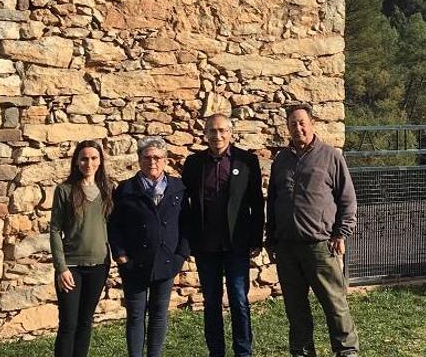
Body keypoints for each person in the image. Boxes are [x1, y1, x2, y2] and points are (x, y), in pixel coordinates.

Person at [266, 103, 360, 357]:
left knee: (335, 305)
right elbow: (272, 201)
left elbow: (347, 199)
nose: (297, 128)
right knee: (296, 309)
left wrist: (341, 233)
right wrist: (271, 239)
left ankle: (347, 352)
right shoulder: (281, 161)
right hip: (287, 247)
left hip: (321, 246)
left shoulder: (330, 157)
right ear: (288, 127)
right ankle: (302, 353)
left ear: (312, 123)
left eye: (301, 122)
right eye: (292, 124)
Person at [182, 114, 264, 357]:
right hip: (206, 246)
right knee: (211, 303)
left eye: (221, 131)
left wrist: (256, 239)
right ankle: (216, 352)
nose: (217, 136)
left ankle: (243, 351)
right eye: (212, 131)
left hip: (236, 245)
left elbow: (256, 203)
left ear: (230, 132)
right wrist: (188, 241)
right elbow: (185, 204)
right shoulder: (194, 163)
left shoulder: (246, 160)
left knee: (239, 300)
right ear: (205, 134)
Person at [108, 137, 190, 357]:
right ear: (139, 160)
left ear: (165, 160)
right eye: (147, 157)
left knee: (159, 314)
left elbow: (186, 224)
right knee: (135, 315)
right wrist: (121, 256)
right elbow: (114, 225)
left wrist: (180, 256)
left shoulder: (178, 187)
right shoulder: (126, 189)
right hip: (135, 263)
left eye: (157, 157)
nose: (152, 162)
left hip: (166, 261)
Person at [50, 140, 114, 357]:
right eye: (84, 158)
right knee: (69, 323)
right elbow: (55, 230)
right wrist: (61, 268)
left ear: (100, 161)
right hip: (71, 266)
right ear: (77, 162)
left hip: (99, 265)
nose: (89, 162)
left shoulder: (108, 189)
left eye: (94, 158)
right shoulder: (64, 190)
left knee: (86, 322)